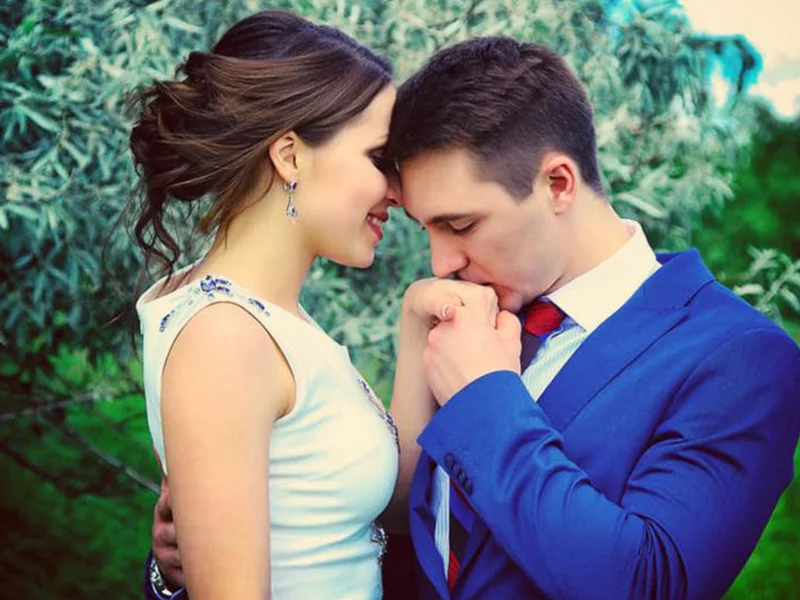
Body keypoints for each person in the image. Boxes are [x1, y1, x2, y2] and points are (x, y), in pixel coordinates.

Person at [148, 36, 800, 600]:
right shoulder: (466, 320)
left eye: (460, 226)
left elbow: (651, 582)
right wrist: (197, 562)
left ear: (558, 184)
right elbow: (403, 544)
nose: (442, 262)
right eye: (426, 228)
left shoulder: (738, 358)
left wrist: (487, 396)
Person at [131, 10, 404, 600]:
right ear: (290, 155)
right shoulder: (224, 339)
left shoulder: (267, 320)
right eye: (380, 160)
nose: (399, 192)